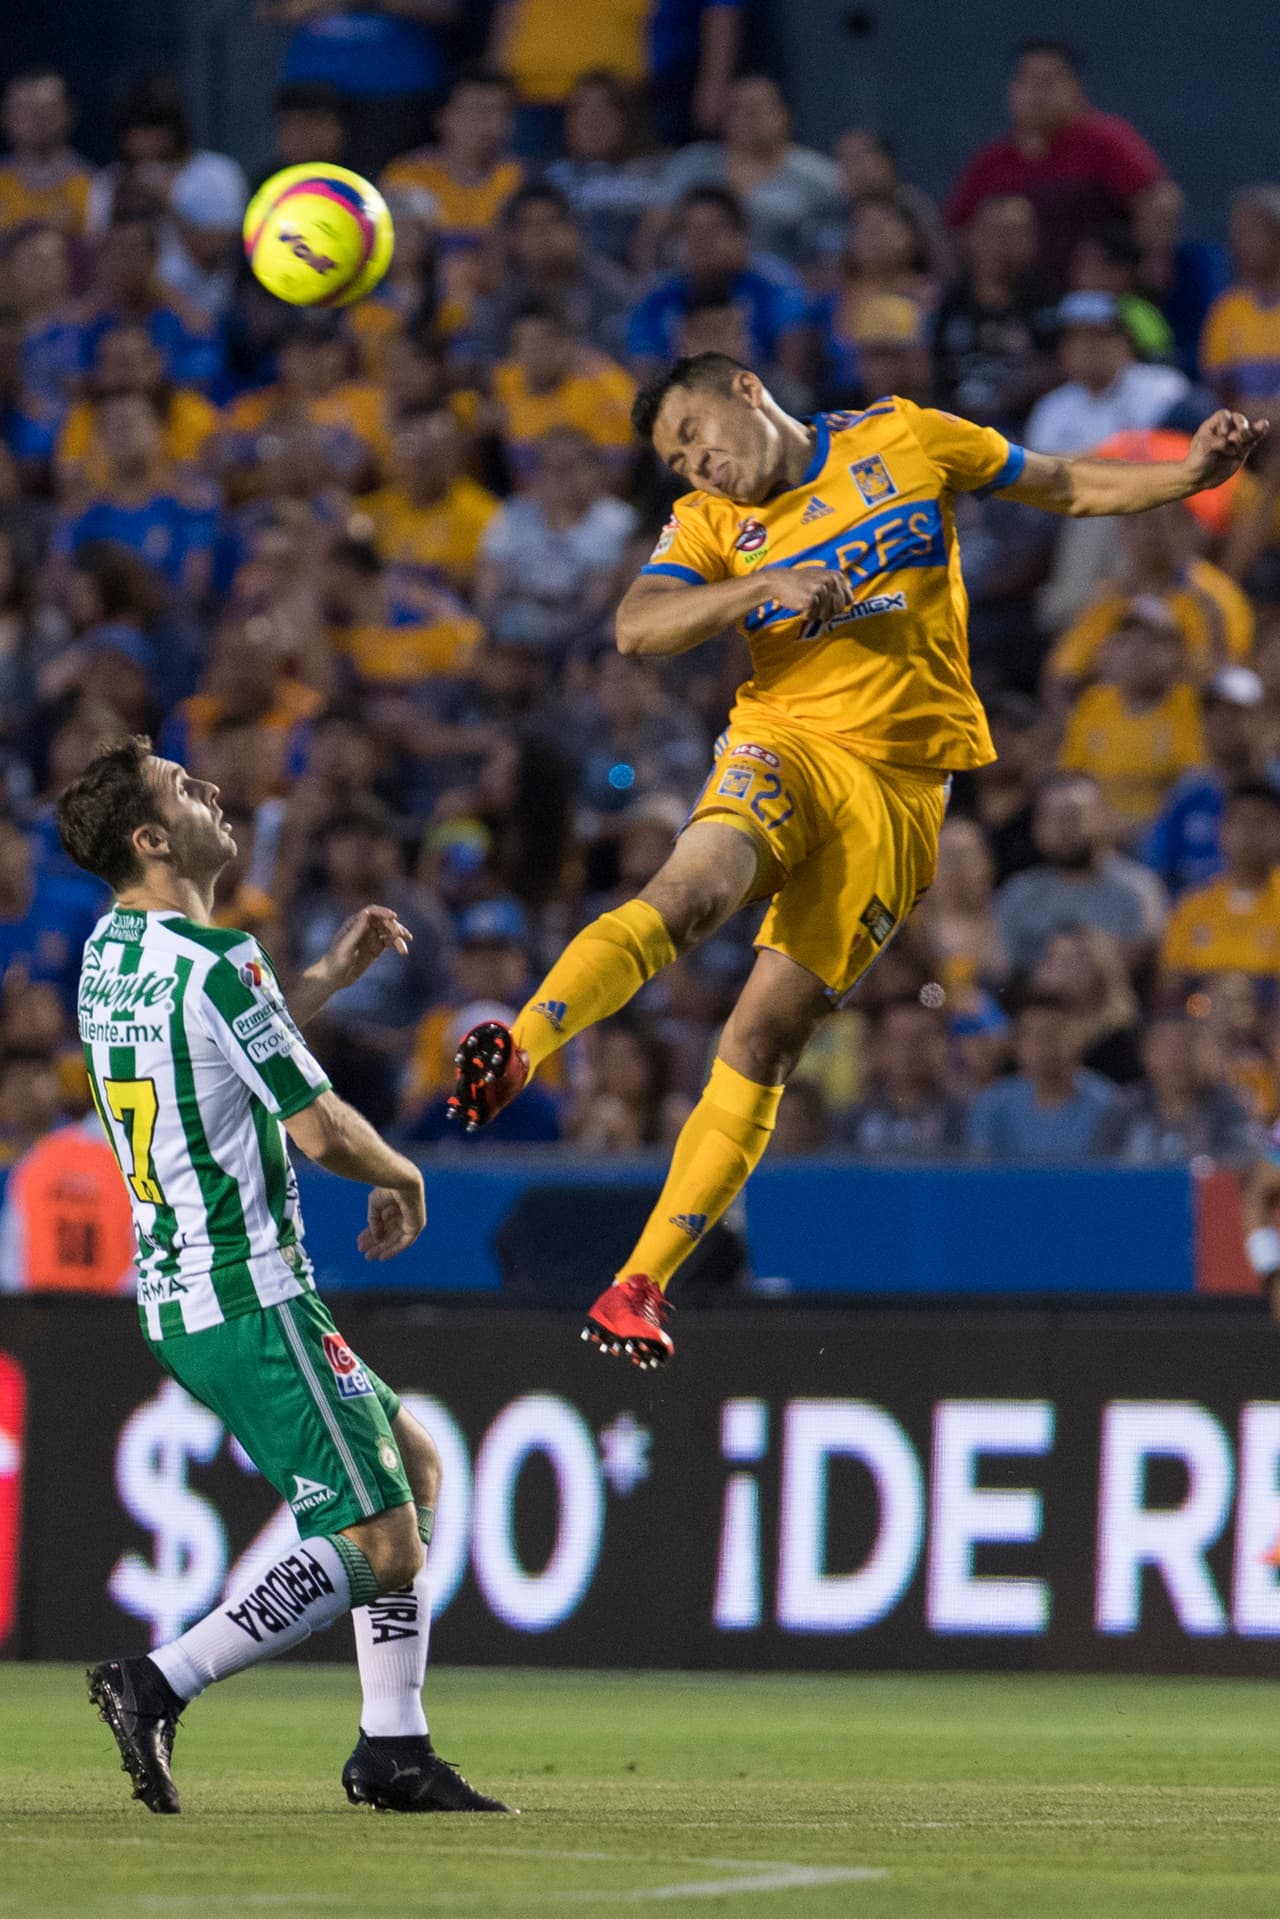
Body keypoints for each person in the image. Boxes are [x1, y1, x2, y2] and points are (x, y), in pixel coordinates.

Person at [441, 349, 1263, 1366]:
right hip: (783, 740)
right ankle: (519, 1044)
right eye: (673, 460)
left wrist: (1185, 477)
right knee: (694, 888)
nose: (694, 465)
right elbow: (637, 624)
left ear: (745, 387)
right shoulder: (712, 527)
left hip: (902, 794)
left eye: (692, 435)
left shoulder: (903, 437)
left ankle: (635, 1285)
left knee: (762, 1036)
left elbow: (1057, 480)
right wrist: (759, 586)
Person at [54, 737, 505, 1815]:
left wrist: (321, 980)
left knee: (413, 1461)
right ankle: (158, 1678)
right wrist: (401, 1169)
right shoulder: (219, 960)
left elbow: (214, 1046)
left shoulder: (114, 956)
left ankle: (392, 1743)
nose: (209, 788)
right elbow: (314, 1126)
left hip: (183, 1296)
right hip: (250, 1289)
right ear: (152, 837)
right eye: (181, 784)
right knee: (381, 1537)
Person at [945, 37, 1168, 295]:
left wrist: (1151, 266)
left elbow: (1159, 200)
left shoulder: (1105, 141)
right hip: (1020, 307)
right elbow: (956, 231)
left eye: (1048, 81)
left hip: (1096, 301)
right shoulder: (991, 161)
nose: (1036, 92)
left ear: (1076, 88)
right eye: (1026, 80)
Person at [626, 187, 813, 393]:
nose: (700, 241)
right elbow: (644, 381)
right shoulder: (656, 298)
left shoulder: (773, 284)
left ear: (740, 236)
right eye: (689, 230)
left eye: (713, 229)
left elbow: (794, 378)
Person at [654, 74, 843, 270]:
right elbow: (652, 234)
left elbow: (835, 251)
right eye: (735, 109)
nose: (746, 118)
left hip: (787, 290)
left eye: (755, 109)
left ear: (783, 115)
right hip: (692, 289)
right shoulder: (691, 164)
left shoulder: (821, 177)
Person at [994, 772, 1168, 976]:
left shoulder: (1138, 890)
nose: (1063, 830)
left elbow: (1145, 960)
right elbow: (1003, 970)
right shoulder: (1018, 894)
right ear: (1037, 827)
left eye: (1073, 816)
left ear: (1103, 818)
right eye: (1052, 818)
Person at [1057, 599, 1204, 835]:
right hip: (1100, 835)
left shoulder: (1189, 704)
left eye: (1152, 642)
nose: (1138, 651)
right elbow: (1074, 775)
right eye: (1128, 640)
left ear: (1176, 653)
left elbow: (1192, 784)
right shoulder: (1094, 702)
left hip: (1162, 836)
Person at [269, 0, 460, 179]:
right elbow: (272, 9)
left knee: (386, 183)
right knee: (305, 178)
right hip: (312, 82)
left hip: (397, 89)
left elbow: (449, 8)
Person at [1143, 666, 1272, 898]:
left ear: (1264, 720)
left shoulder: (1275, 788)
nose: (1223, 723)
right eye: (1212, 713)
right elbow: (1157, 870)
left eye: (1235, 713)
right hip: (1195, 924)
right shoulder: (1186, 795)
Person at [932, 193, 1058, 430]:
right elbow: (931, 372)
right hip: (952, 427)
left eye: (1014, 232)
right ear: (971, 236)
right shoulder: (947, 303)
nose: (1001, 243)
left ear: (1033, 241)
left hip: (1029, 430)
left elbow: (1056, 371)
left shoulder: (1048, 301)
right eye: (991, 231)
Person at [1024, 291, 1190, 456]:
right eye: (1074, 338)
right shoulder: (1051, 408)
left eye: (1098, 336)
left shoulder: (1165, 388)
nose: (1086, 348)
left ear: (1125, 342)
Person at [490, 303, 635, 486]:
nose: (532, 356)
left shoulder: (601, 382)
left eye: (540, 346)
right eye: (522, 348)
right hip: (527, 500)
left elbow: (619, 467)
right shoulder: (506, 380)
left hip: (590, 499)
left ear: (565, 343)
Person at [1161, 782, 1280, 995]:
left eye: (1261, 822)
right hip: (1203, 1016)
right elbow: (1172, 984)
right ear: (1222, 830)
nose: (1249, 833)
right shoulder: (1193, 906)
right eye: (1241, 822)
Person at [361, 408, 498, 592]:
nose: (420, 462)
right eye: (410, 451)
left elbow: (483, 580)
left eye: (432, 451)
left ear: (454, 456)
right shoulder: (376, 510)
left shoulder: (485, 515)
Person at [967, 992, 1115, 1161]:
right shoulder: (992, 1105)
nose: (1039, 1046)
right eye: (1029, 1035)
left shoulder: (1109, 1105)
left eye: (1050, 1034)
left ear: (1077, 1038)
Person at [1094, 1013, 1258, 1164]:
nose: (1177, 1056)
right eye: (1165, 1046)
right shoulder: (1128, 1104)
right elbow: (1101, 1164)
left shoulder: (1230, 1105)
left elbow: (1240, 1162)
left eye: (1187, 1044)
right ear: (1144, 1054)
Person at [544, 70, 661, 271]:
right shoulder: (551, 179)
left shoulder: (660, 173)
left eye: (606, 108)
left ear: (628, 117)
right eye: (580, 108)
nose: (592, 120)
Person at [839, 998, 968, 1157]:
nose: (910, 1049)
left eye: (921, 1038)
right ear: (878, 1049)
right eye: (899, 1039)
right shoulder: (849, 1122)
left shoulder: (965, 1118)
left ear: (944, 1046)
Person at [1200, 187, 1280, 411]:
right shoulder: (1227, 308)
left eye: (1249, 232)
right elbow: (1218, 385)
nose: (1237, 242)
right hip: (1243, 426)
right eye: (1235, 233)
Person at [0, 68, 93, 237]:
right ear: (6, 117)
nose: (36, 117)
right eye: (24, 109)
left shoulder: (95, 186)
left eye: (46, 109)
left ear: (68, 113)